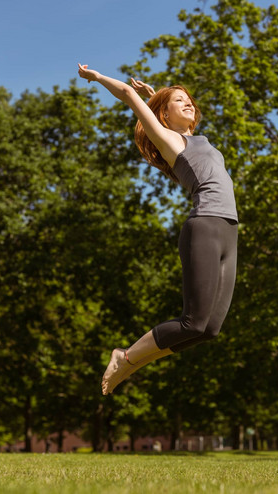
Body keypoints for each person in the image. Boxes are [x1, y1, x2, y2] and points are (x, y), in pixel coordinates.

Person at [78, 64, 238, 395]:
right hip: (205, 226)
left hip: (229, 230)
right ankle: (126, 357)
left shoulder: (195, 138)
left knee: (209, 330)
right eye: (179, 101)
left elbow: (177, 118)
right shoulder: (168, 140)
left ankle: (131, 361)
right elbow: (126, 93)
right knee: (192, 321)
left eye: (189, 99)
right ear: (164, 117)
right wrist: (97, 78)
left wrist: (159, 97)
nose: (189, 103)